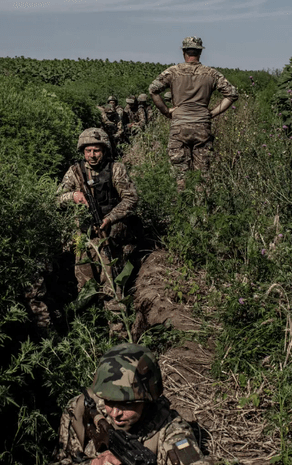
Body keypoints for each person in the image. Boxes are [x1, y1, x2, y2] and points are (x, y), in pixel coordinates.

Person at [53, 343, 210, 465]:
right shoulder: (82, 407)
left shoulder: (171, 433)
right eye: (109, 402)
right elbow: (60, 460)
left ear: (147, 399)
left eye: (127, 404)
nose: (115, 413)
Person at [56, 129, 139, 313]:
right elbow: (56, 198)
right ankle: (89, 326)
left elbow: (131, 199)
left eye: (96, 151)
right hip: (83, 237)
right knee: (85, 283)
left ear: (104, 150)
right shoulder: (75, 171)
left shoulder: (116, 169)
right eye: (88, 151)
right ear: (83, 152)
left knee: (111, 281)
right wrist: (73, 196)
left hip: (109, 234)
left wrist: (110, 218)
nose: (92, 155)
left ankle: (117, 326)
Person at [149, 37, 238, 189]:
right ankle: (202, 208)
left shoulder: (173, 72)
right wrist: (212, 113)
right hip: (202, 126)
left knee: (179, 176)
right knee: (202, 177)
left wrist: (167, 112)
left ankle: (182, 208)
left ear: (184, 52)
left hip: (179, 126)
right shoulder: (211, 74)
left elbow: (153, 90)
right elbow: (232, 94)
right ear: (200, 53)